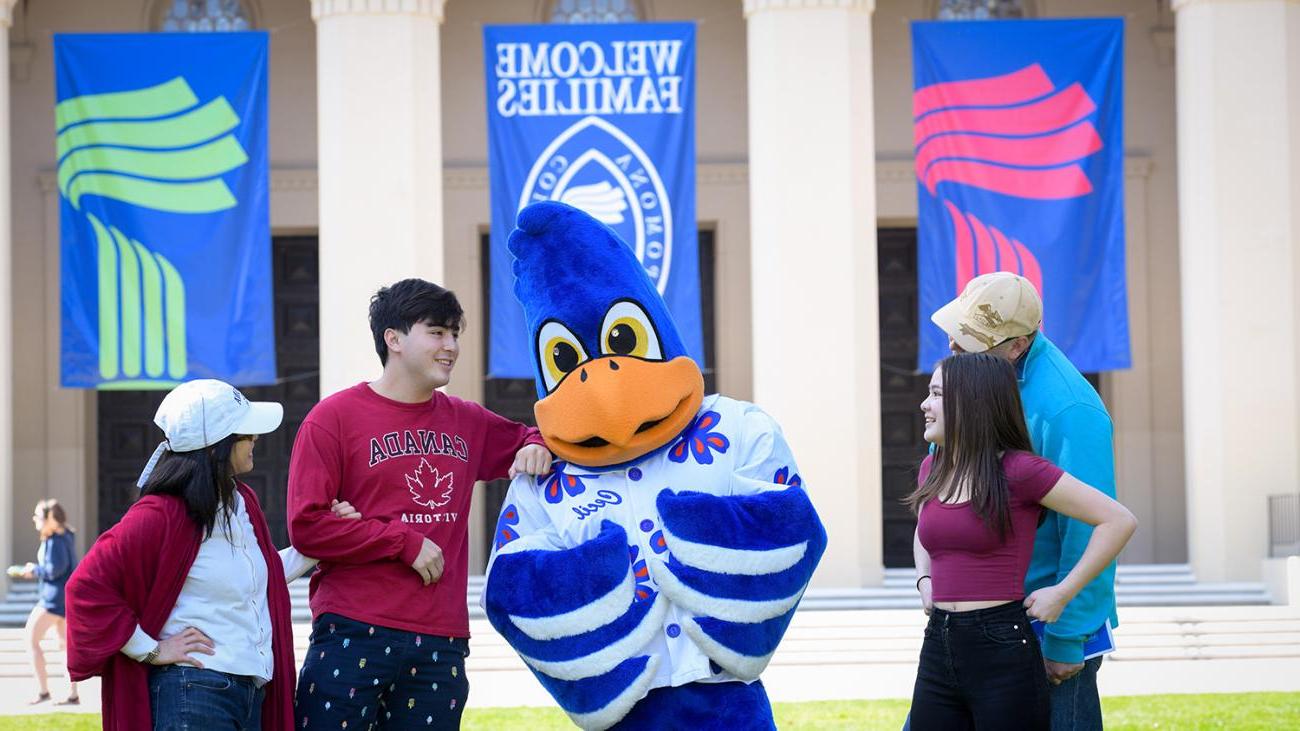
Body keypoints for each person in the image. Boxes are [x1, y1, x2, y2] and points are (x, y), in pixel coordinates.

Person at [287, 278, 552, 730]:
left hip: (441, 639)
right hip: (354, 629)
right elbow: (307, 526)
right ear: (393, 339)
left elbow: (535, 436)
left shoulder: (467, 420)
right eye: (437, 332)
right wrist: (402, 542)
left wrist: (537, 444)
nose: (451, 345)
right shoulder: (332, 419)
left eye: (455, 334)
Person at [65, 379, 360, 730]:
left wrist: (325, 535)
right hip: (194, 692)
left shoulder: (241, 502)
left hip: (249, 691)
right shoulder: (161, 513)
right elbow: (85, 588)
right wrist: (151, 649)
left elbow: (260, 574)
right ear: (217, 446)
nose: (256, 440)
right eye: (247, 433)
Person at [931, 272, 1120, 730]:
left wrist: (1066, 638)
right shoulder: (979, 377)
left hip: (1045, 626)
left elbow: (1092, 525)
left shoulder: (1069, 409)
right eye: (957, 332)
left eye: (971, 340)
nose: (955, 347)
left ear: (1017, 346)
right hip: (978, 619)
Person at [9, 499, 79, 705]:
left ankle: (43, 691)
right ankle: (72, 694)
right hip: (62, 598)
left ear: (50, 518)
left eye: (38, 516)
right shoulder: (64, 536)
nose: (34, 519)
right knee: (64, 646)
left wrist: (33, 570)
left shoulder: (55, 540)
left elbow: (54, 570)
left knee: (30, 639)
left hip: (53, 599)